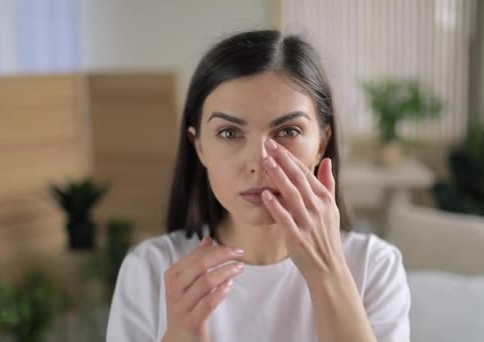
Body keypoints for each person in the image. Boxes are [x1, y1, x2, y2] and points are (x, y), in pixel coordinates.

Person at [106, 29, 410, 342]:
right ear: (199, 147)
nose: (258, 162)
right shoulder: (150, 270)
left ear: (322, 143)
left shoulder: (374, 266)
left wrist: (328, 275)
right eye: (228, 133)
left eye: (288, 131)